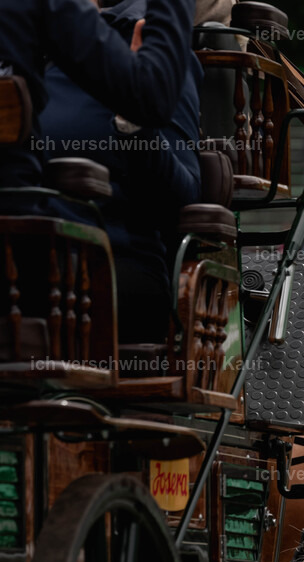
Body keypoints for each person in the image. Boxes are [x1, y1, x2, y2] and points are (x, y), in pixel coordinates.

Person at [39, 0, 201, 343]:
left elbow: (182, 198)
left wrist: (133, 125)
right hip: (24, 251)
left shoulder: (148, 52)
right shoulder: (22, 48)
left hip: (110, 264)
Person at [0, 0, 194, 200]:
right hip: (24, 207)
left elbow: (184, 195)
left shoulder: (135, 42)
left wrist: (132, 127)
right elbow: (151, 96)